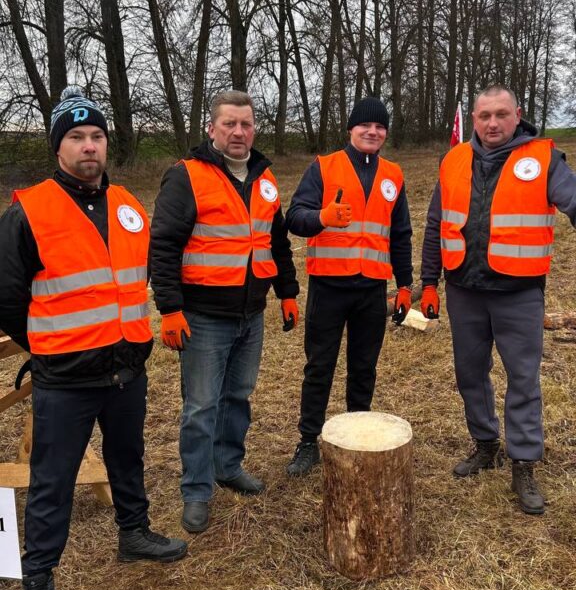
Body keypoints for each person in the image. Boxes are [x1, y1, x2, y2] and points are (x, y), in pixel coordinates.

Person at [0, 86, 188, 590]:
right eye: (77, 137)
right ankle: (39, 577)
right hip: (65, 377)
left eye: (97, 136)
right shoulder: (27, 212)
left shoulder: (128, 206)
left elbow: (137, 278)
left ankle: (134, 533)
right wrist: (48, 346)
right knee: (52, 479)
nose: (89, 146)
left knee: (127, 457)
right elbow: (7, 298)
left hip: (126, 368)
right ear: (58, 146)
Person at [420, 84, 576, 514]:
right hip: (464, 291)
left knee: (523, 380)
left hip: (518, 293)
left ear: (517, 115)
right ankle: (485, 444)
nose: (493, 123)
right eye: (485, 115)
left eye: (501, 114)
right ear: (474, 119)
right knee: (470, 374)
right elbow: (435, 223)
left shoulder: (544, 159)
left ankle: (523, 463)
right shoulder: (453, 160)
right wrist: (429, 281)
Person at [150, 90, 299, 534]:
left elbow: (276, 241)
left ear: (254, 129)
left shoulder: (264, 177)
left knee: (238, 396)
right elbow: (163, 245)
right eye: (229, 124)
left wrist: (287, 292)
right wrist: (170, 308)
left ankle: (227, 465)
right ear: (211, 128)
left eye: (246, 124)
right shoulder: (187, 176)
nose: (238, 132)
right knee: (201, 407)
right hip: (203, 316)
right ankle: (196, 489)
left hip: (250, 314)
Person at [284, 96, 413, 476]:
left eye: (380, 126)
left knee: (364, 368)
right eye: (365, 125)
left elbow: (401, 234)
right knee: (319, 367)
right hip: (329, 287)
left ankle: (358, 436)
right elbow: (295, 218)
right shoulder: (324, 167)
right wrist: (322, 217)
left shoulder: (393, 175)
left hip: (372, 288)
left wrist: (405, 285)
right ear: (351, 129)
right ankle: (309, 441)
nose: (372, 132)